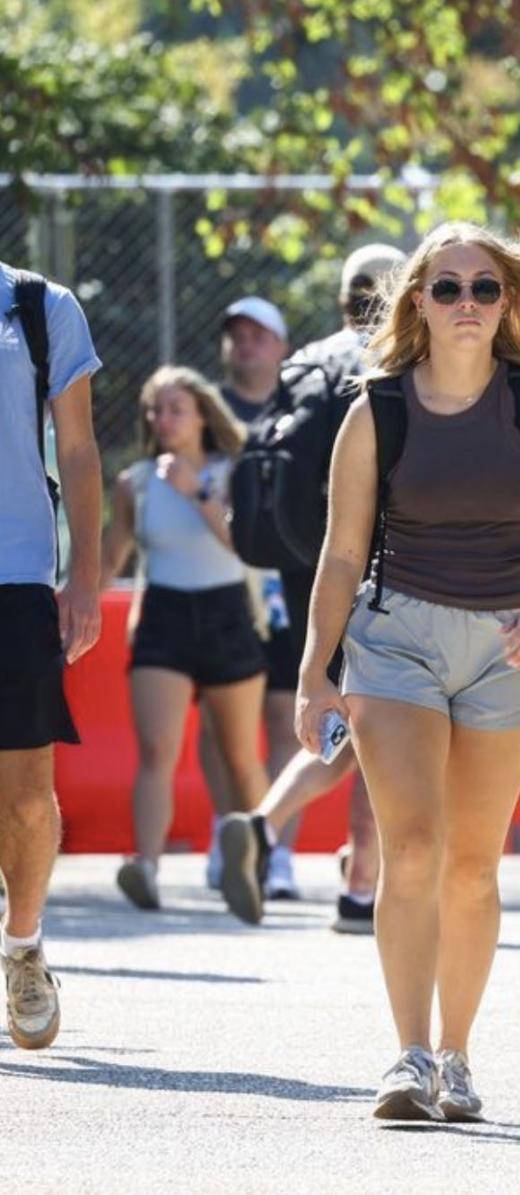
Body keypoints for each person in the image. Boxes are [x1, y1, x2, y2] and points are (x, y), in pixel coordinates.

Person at [294, 221, 520, 1120]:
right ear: (417, 304)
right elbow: (339, 553)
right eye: (446, 288)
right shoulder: (377, 410)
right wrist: (315, 671)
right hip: (395, 639)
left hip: (507, 642)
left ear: (507, 301)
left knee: (474, 864)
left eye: (483, 288)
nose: (466, 303)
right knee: (416, 847)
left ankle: (459, 1056)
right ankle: (407, 1055)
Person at [217, 244, 405, 932]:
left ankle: (273, 832)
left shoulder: (307, 361)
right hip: (385, 565)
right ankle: (354, 883)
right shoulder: (398, 361)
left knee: (346, 714)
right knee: (380, 720)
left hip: (308, 566)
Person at [101, 367, 269, 911]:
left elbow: (245, 543)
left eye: (175, 408)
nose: (163, 420)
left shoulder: (232, 470)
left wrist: (195, 491)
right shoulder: (135, 482)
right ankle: (145, 866)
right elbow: (111, 558)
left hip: (227, 614)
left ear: (201, 413)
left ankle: (256, 862)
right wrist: (74, 600)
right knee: (156, 750)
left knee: (240, 756)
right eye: (155, 409)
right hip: (164, 617)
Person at [0, 261, 103, 1049]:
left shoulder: (39, 306)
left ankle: (23, 944)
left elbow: (77, 447)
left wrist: (86, 576)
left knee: (27, 801)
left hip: (18, 578)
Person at [203, 297, 296, 895]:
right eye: (236, 334)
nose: (246, 344)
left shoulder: (301, 406)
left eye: (259, 335)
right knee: (220, 724)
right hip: (219, 587)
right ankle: (225, 833)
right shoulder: (204, 412)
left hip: (287, 583)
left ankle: (277, 852)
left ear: (281, 346)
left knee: (287, 718)